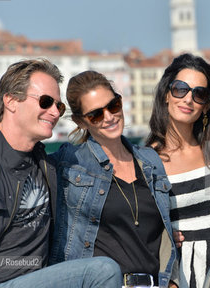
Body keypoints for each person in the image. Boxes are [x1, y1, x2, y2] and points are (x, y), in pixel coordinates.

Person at [0, 59, 122, 288]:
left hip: (36, 279)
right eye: (46, 102)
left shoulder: (48, 166)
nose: (54, 112)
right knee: (102, 272)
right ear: (11, 101)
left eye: (59, 106)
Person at [48, 70, 176, 288]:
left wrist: (173, 281)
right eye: (96, 114)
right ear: (81, 122)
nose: (109, 117)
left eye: (113, 105)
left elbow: (166, 231)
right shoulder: (70, 161)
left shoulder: (150, 159)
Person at [146, 54, 210, 288]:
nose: (188, 99)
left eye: (199, 94)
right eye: (180, 89)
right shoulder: (146, 161)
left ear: (206, 106)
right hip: (182, 275)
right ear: (166, 95)